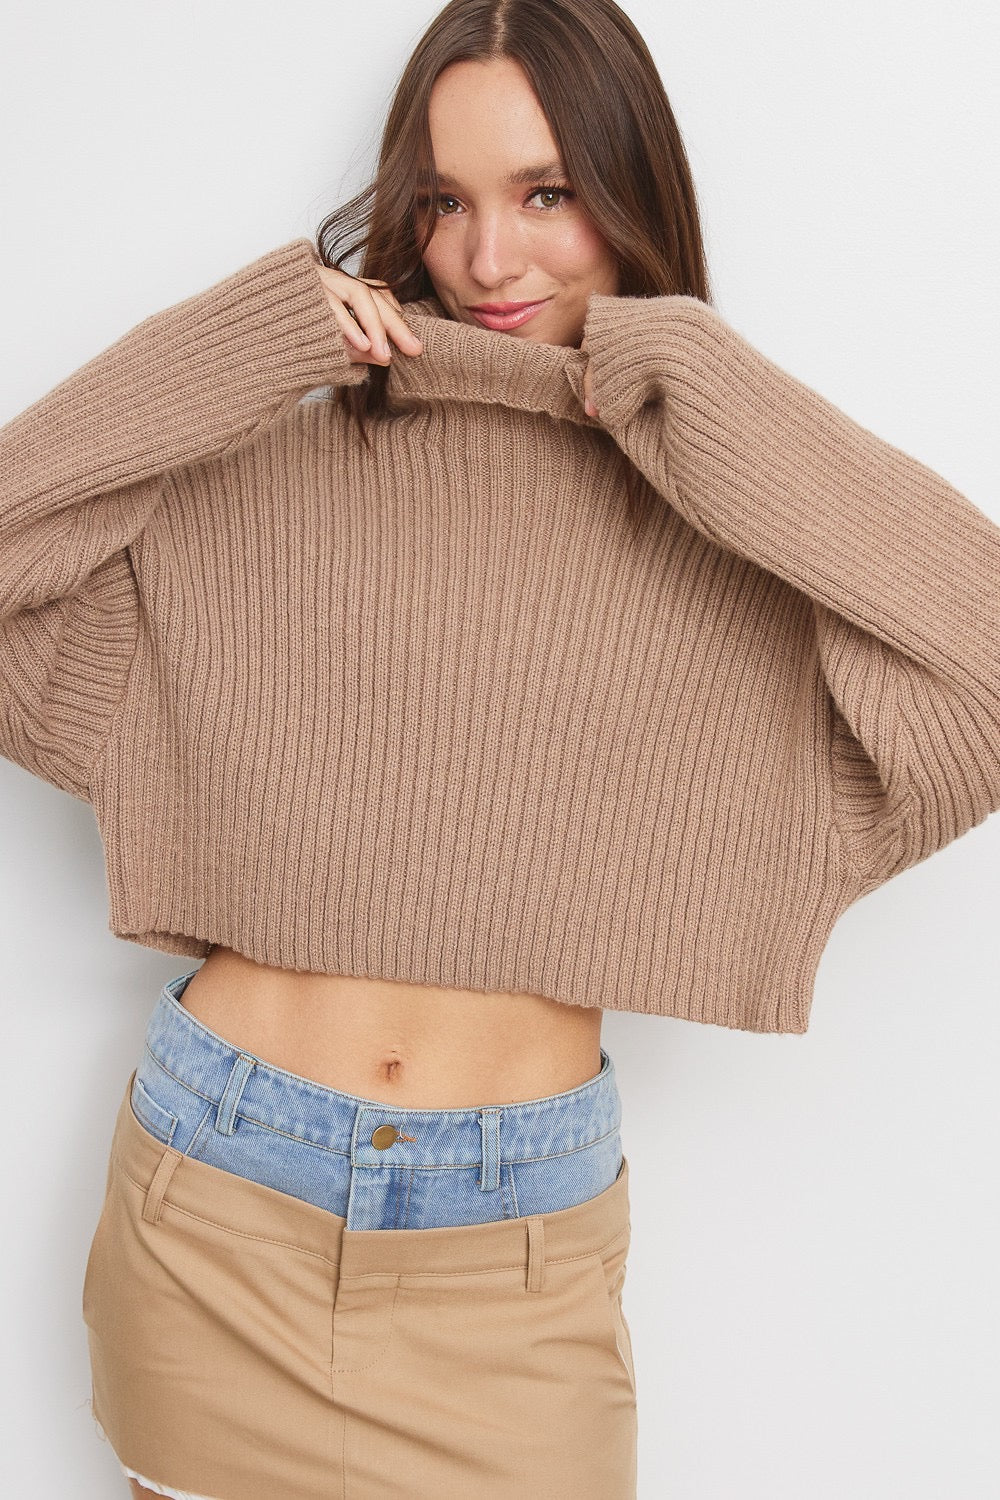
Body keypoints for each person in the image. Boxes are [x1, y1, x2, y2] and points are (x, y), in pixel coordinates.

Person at [2, 2, 997, 1497]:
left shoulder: (732, 545)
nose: (487, 259)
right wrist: (240, 344)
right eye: (444, 201)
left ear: (633, 192)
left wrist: (706, 380)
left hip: (516, 1265)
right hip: (217, 1206)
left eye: (547, 194)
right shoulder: (271, 467)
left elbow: (981, 666)